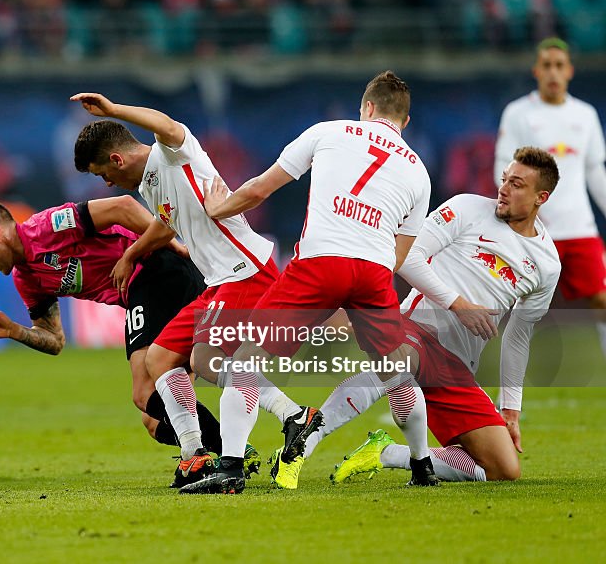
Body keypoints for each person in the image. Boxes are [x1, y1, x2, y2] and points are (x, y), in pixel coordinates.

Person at [192, 71, 434, 493]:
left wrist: (218, 208)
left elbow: (258, 189)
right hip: (375, 271)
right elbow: (400, 252)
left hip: (319, 263)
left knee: (247, 358)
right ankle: (422, 463)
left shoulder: (329, 132)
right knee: (397, 371)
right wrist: (356, 297)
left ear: (366, 108)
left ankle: (230, 467)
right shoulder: (419, 173)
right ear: (406, 122)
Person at [70, 93, 317, 492]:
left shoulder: (172, 155)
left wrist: (114, 110)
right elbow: (167, 223)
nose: (107, 183)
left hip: (244, 272)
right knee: (160, 358)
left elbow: (167, 125)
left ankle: (270, 434)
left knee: (208, 359)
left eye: (103, 174)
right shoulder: (150, 186)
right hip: (219, 281)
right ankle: (200, 455)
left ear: (115, 160)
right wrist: (133, 251)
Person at [0, 196, 248, 485]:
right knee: (154, 419)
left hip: (155, 270)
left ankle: (214, 456)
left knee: (145, 391)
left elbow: (123, 206)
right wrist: (15, 332)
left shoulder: (47, 227)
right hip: (152, 286)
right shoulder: (27, 279)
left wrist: (166, 241)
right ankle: (237, 451)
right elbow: (55, 340)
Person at [326, 147, 560, 483]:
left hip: (457, 367)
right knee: (397, 361)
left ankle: (387, 453)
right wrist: (458, 304)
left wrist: (510, 408)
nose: (504, 187)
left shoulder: (546, 264)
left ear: (541, 197)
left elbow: (519, 336)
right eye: (505, 178)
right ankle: (308, 433)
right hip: (417, 329)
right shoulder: (467, 208)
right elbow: (405, 257)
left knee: (502, 470)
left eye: (517, 184)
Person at [495, 38, 606, 359]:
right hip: (535, 230)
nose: (553, 72)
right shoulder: (518, 113)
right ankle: (504, 396)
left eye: (559, 65)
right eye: (547, 65)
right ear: (536, 71)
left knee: (601, 300)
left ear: (569, 71)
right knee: (517, 311)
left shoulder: (584, 115)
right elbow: (503, 167)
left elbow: (594, 171)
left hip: (580, 228)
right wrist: (514, 214)